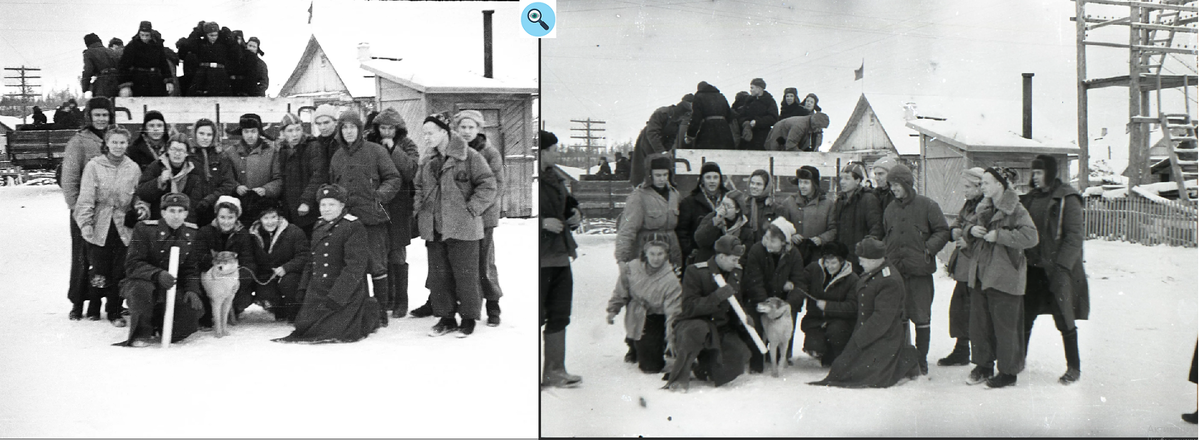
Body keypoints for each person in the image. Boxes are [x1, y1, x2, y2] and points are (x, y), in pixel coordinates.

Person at [414, 113, 496, 337]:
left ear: (444, 132)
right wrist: (420, 208)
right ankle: (446, 318)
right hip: (435, 227)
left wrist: (471, 209)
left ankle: (468, 319)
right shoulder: (427, 160)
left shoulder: (469, 156)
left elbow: (488, 185)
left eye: (430, 133)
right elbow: (419, 187)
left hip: (464, 228)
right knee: (439, 277)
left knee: (466, 275)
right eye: (424, 134)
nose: (427, 138)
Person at [274, 184, 381, 343]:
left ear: (342, 206)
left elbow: (355, 267)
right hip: (318, 289)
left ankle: (369, 313)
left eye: (332, 204)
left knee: (335, 332)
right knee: (305, 327)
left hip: (343, 292)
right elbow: (312, 261)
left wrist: (338, 296)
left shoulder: (353, 226)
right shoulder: (318, 225)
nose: (327, 209)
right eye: (323, 205)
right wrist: (303, 288)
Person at [809, 237, 921, 388]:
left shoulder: (889, 281)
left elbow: (881, 319)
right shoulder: (874, 272)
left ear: (874, 259)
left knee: (868, 376)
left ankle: (907, 361)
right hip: (866, 332)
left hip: (882, 336)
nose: (860, 263)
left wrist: (859, 339)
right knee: (841, 369)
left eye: (863, 260)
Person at [962, 168, 1039, 388]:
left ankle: (1008, 372)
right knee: (980, 324)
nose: (983, 186)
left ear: (999, 185)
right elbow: (965, 226)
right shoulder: (984, 207)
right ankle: (983, 366)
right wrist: (971, 230)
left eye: (986, 183)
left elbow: (1031, 236)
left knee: (1005, 327)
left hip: (1005, 275)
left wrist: (1000, 236)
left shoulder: (1016, 208)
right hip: (981, 273)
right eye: (982, 183)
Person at [1020, 154, 1090, 385]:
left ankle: (1074, 367)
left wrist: (1062, 266)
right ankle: (1018, 360)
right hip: (1033, 269)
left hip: (1058, 271)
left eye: (1039, 173)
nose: (1035, 177)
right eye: (1033, 173)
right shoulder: (1031, 198)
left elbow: (1074, 237)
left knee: (1064, 318)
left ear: (1049, 173)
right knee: (1025, 316)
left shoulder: (1067, 198)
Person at [329, 111, 402, 327]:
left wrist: (379, 197)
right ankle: (361, 309)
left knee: (376, 265)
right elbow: (333, 184)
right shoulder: (337, 156)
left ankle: (381, 311)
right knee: (354, 266)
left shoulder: (376, 151)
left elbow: (393, 178)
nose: (348, 131)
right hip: (347, 221)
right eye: (344, 127)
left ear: (360, 130)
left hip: (372, 218)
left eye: (353, 127)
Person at [882, 163, 951, 376]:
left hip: (920, 273)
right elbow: (887, 235)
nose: (893, 189)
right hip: (897, 273)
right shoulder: (890, 208)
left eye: (896, 184)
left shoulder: (927, 205)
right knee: (900, 317)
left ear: (907, 183)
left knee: (921, 318)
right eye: (891, 185)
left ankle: (921, 361)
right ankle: (904, 359)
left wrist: (927, 250)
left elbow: (942, 231)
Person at [113, 193, 205, 347]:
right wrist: (157, 274)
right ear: (163, 212)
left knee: (186, 321)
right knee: (143, 290)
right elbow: (133, 264)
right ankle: (140, 333)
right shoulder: (144, 230)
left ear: (186, 214)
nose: (176, 216)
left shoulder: (191, 234)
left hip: (171, 286)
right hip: (142, 282)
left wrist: (192, 289)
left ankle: (159, 324)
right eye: (172, 211)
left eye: (180, 211)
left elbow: (191, 268)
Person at [664, 235, 753, 392]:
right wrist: (716, 297)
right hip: (693, 323)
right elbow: (689, 307)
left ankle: (703, 369)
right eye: (733, 259)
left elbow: (737, 303)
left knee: (739, 357)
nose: (737, 263)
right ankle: (679, 379)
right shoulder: (696, 271)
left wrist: (743, 317)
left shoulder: (736, 273)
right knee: (697, 330)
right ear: (721, 256)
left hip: (720, 327)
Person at [74, 127, 143, 326]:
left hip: (123, 227)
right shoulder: (94, 166)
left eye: (122, 142)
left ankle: (114, 310)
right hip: (100, 224)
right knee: (99, 269)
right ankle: (94, 304)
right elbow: (86, 197)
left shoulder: (133, 168)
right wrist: (86, 223)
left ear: (127, 144)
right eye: (114, 142)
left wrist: (139, 208)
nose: (118, 146)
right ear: (107, 143)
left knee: (119, 270)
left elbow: (137, 196)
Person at [539, 130, 583, 388]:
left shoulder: (556, 178)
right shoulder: (539, 181)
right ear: (543, 152)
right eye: (554, 149)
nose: (558, 153)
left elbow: (566, 206)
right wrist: (542, 223)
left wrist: (575, 215)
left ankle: (555, 370)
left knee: (559, 314)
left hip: (560, 255)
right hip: (542, 258)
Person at [62, 96, 113, 320]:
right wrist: (77, 210)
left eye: (105, 115)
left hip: (108, 213)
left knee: (104, 260)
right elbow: (70, 180)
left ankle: (104, 300)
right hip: (86, 211)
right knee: (83, 258)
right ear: (89, 116)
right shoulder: (79, 141)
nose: (101, 119)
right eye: (97, 115)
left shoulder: (115, 138)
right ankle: (77, 302)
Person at [366, 108, 418, 319]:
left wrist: (394, 149)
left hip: (399, 205)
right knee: (380, 250)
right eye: (383, 127)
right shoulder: (370, 143)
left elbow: (411, 170)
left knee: (397, 252)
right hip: (377, 202)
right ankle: (385, 298)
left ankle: (401, 301)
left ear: (398, 129)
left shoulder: (407, 144)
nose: (386, 132)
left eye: (391, 128)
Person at [606, 239, 683, 373]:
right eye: (652, 254)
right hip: (636, 313)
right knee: (638, 335)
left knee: (651, 367)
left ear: (666, 255)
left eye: (660, 254)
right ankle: (633, 343)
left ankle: (653, 343)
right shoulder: (632, 268)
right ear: (645, 254)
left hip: (657, 317)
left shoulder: (671, 280)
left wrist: (671, 339)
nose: (656, 258)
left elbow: (673, 312)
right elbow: (621, 290)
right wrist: (613, 309)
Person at [742, 217, 806, 373]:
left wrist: (788, 304)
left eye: (772, 240)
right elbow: (754, 281)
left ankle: (781, 356)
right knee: (757, 322)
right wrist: (767, 304)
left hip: (782, 302)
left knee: (785, 323)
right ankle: (756, 359)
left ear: (783, 243)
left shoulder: (794, 255)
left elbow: (800, 283)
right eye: (766, 238)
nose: (767, 243)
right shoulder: (757, 250)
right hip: (760, 299)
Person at [938, 167, 986, 367]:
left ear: (979, 186)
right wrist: (957, 230)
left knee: (976, 311)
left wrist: (964, 234)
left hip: (977, 267)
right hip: (964, 266)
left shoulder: (985, 206)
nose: (964, 190)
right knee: (960, 309)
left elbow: (985, 232)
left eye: (967, 186)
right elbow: (956, 224)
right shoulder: (969, 204)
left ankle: (980, 355)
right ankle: (962, 350)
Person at [792, 242, 860, 367]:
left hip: (839, 322)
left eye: (833, 263)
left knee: (836, 333)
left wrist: (828, 307)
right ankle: (823, 352)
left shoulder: (852, 279)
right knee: (814, 346)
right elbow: (801, 282)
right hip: (816, 320)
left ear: (842, 262)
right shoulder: (813, 269)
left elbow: (852, 306)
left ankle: (838, 355)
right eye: (826, 262)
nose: (829, 266)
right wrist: (794, 286)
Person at [193, 196, 260, 323]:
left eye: (230, 218)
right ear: (217, 216)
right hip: (210, 279)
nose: (226, 221)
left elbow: (249, 262)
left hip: (233, 280)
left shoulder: (243, 235)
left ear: (236, 218)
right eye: (222, 217)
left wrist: (237, 280)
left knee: (242, 298)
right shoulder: (205, 232)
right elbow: (199, 256)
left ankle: (232, 310)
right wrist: (215, 268)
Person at [616, 156, 682, 269]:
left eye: (665, 175)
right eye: (658, 175)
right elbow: (627, 229)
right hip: (646, 253)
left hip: (671, 253)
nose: (662, 179)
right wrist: (622, 258)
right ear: (650, 175)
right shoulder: (639, 196)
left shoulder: (674, 195)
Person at [249, 203, 310, 322]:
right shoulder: (253, 235)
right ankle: (278, 309)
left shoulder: (294, 232)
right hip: (268, 275)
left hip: (291, 273)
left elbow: (304, 256)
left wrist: (286, 268)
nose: (270, 222)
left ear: (279, 217)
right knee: (266, 293)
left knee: (289, 283)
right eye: (266, 218)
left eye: (273, 217)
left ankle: (294, 313)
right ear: (260, 219)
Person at [275, 113, 327, 236]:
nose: (295, 134)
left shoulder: (313, 146)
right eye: (290, 130)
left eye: (298, 129)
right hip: (289, 209)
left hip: (308, 209)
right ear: (283, 133)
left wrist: (306, 202)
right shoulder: (282, 151)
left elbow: (318, 176)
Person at [225, 113, 283, 224]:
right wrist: (236, 187)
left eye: (253, 131)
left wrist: (266, 189)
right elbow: (226, 178)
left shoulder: (271, 152)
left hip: (264, 206)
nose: (250, 135)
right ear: (241, 132)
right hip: (239, 206)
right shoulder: (230, 152)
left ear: (259, 132)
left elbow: (278, 179)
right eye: (246, 132)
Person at [136, 132, 207, 222]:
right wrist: (159, 181)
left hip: (184, 221)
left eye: (181, 150)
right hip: (158, 220)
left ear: (187, 153)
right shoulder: (156, 166)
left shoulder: (194, 170)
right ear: (168, 150)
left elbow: (194, 203)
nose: (177, 154)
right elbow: (142, 192)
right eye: (173, 149)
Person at [779, 165, 838, 267]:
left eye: (806, 182)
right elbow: (781, 226)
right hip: (794, 255)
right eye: (800, 182)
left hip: (817, 256)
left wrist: (821, 239)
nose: (802, 186)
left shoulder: (828, 204)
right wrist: (791, 235)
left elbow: (833, 229)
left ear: (814, 184)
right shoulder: (789, 202)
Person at [186, 118, 238, 227]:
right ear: (195, 134)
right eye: (201, 133)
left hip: (214, 209)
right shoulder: (187, 156)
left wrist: (210, 199)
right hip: (190, 211)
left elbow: (229, 183)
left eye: (209, 135)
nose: (205, 138)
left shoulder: (221, 157)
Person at [630, 95, 692, 185]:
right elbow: (652, 133)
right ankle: (645, 185)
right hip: (647, 141)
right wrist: (661, 151)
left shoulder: (678, 120)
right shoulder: (661, 113)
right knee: (648, 165)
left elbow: (672, 137)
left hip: (660, 142)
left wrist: (667, 150)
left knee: (662, 163)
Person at [834, 163, 882, 273]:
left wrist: (865, 250)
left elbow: (876, 227)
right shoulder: (840, 201)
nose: (842, 182)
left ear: (857, 181)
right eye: (841, 178)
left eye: (847, 178)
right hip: (843, 257)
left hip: (860, 258)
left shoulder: (868, 199)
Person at [676, 162, 727, 265]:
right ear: (702, 180)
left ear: (720, 179)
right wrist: (689, 250)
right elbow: (682, 231)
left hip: (725, 254)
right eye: (708, 177)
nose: (712, 181)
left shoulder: (729, 199)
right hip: (701, 256)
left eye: (715, 177)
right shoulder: (689, 202)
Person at [691, 190, 754, 265]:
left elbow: (744, 254)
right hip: (708, 262)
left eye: (728, 206)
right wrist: (715, 223)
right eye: (722, 204)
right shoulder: (712, 217)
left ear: (737, 210)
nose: (723, 209)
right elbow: (699, 239)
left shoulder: (745, 227)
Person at [117, 21, 174, 97]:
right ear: (139, 34)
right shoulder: (132, 46)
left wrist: (168, 80)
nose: (144, 38)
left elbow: (163, 64)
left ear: (151, 34)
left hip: (156, 80)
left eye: (147, 35)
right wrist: (125, 85)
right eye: (142, 35)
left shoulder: (157, 45)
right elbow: (123, 66)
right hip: (138, 81)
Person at [185, 21, 237, 96]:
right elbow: (189, 45)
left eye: (216, 35)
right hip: (203, 74)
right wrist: (197, 31)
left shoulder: (223, 44)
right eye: (211, 35)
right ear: (206, 35)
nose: (213, 38)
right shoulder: (201, 44)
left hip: (220, 74)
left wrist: (228, 35)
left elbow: (235, 52)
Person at [687, 82, 736, 150]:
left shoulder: (699, 97)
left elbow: (696, 118)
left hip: (708, 130)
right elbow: (729, 115)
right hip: (724, 130)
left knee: (706, 154)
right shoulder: (721, 96)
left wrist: (690, 134)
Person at [737, 78, 778, 151]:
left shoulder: (769, 101)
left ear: (759, 88)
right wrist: (746, 123)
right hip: (748, 136)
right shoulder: (749, 101)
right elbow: (741, 116)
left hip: (763, 137)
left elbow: (773, 118)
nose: (750, 90)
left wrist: (757, 122)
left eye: (752, 88)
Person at [745, 169, 780, 245]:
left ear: (766, 187)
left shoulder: (774, 208)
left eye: (758, 184)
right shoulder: (745, 205)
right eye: (752, 183)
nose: (754, 186)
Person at [81, 33, 121, 99]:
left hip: (103, 83)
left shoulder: (89, 53)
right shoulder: (111, 51)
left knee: (102, 104)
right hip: (117, 81)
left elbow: (88, 71)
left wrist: (85, 87)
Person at [764, 113, 831, 152]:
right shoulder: (800, 126)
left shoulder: (808, 124)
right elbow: (790, 146)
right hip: (777, 140)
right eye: (819, 127)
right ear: (815, 125)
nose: (819, 130)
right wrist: (803, 155)